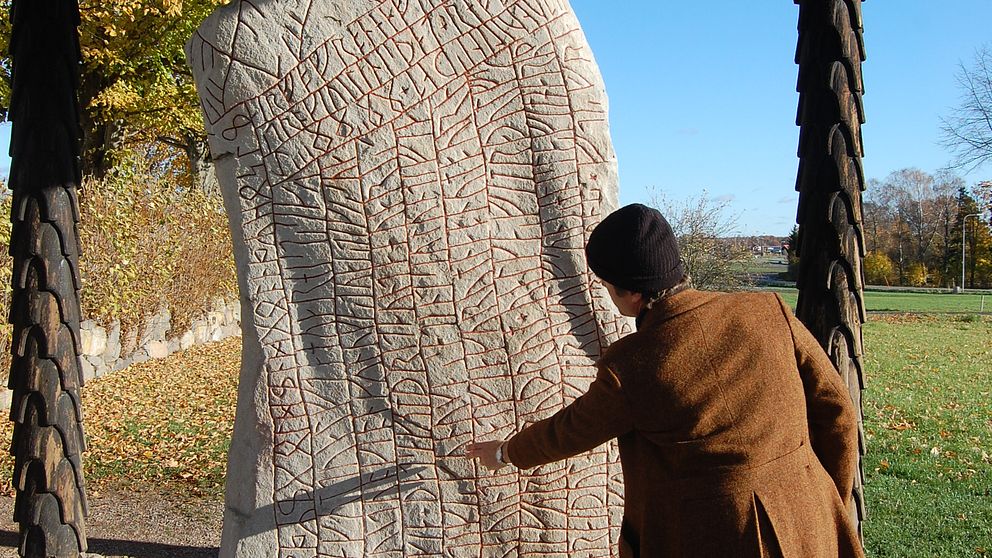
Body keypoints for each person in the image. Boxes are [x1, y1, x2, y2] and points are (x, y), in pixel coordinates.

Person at [465, 203, 864, 557]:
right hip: (811, 521)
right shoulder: (766, 310)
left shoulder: (634, 364)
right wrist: (829, 502)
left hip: (717, 537)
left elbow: (570, 430)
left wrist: (505, 453)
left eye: (606, 286)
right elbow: (838, 413)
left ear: (631, 294)